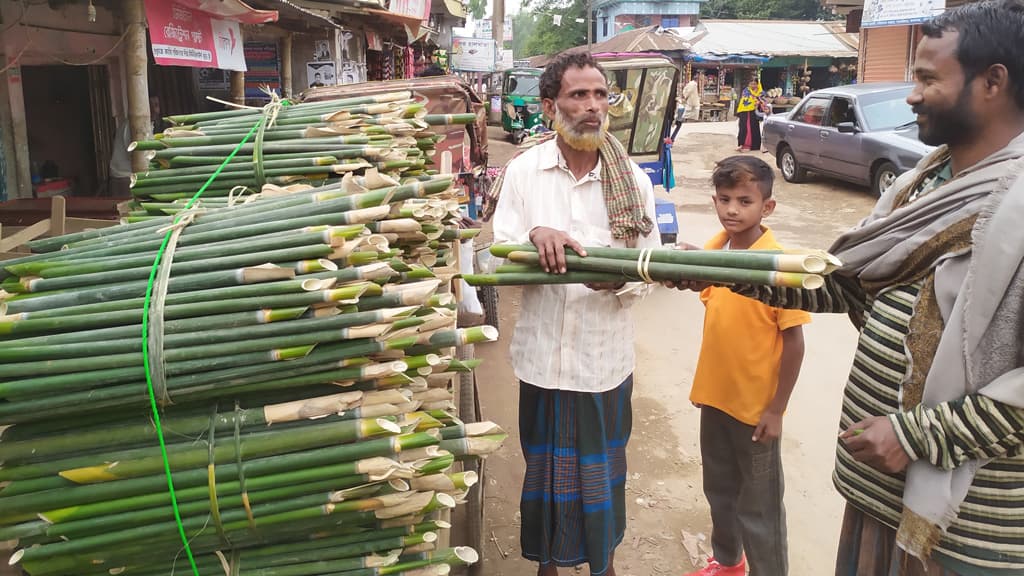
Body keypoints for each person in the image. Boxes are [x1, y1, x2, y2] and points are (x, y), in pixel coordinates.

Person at [674, 2, 1024, 574]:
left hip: (966, 524)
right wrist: (721, 271)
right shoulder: (923, 182)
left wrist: (916, 436)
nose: (911, 97)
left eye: (928, 79)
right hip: (879, 489)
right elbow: (845, 286)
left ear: (993, 82)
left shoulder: (1016, 204)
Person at [489, 51, 661, 576]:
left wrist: (623, 280)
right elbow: (500, 245)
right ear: (550, 107)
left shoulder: (634, 182)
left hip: (601, 364)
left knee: (600, 476)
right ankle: (548, 563)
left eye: (600, 95)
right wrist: (533, 236)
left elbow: (649, 269)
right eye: (578, 95)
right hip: (542, 359)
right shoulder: (525, 173)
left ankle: (601, 565)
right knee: (543, 474)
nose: (593, 107)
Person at [681, 156, 809, 576]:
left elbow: (794, 343)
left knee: (761, 506)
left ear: (766, 207)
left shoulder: (776, 265)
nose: (732, 209)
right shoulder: (716, 252)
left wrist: (776, 409)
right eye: (723, 199)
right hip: (715, 400)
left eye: (744, 201)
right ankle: (728, 562)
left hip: (755, 412)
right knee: (720, 491)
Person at [735, 78, 764, 152]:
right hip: (744, 112)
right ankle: (742, 144)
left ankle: (750, 146)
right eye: (751, 84)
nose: (753, 85)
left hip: (753, 112)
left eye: (754, 84)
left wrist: (759, 102)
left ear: (758, 84)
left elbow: (763, 102)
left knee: (752, 128)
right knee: (743, 127)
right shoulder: (746, 91)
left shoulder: (761, 93)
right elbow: (744, 100)